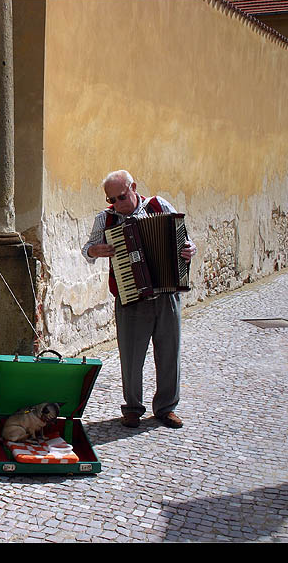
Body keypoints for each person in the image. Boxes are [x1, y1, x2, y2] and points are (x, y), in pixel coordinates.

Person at [82, 170, 197, 429]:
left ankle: (166, 409)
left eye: (121, 197)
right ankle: (132, 408)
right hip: (130, 297)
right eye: (111, 200)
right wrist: (95, 250)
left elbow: (186, 241)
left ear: (133, 187)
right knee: (131, 357)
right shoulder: (105, 219)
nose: (116, 204)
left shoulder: (158, 205)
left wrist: (190, 249)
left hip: (167, 293)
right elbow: (87, 250)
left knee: (169, 353)